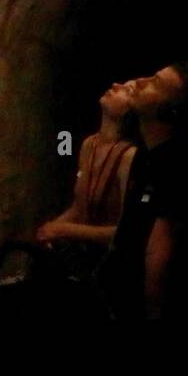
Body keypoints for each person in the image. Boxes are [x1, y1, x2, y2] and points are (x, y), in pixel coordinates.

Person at [100, 63, 188, 319]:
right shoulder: (148, 152)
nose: (140, 81)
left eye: (155, 82)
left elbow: (161, 251)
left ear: (169, 111)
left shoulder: (183, 163)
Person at [35, 81, 139, 255]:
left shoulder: (129, 156)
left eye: (127, 90)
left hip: (111, 260)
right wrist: (50, 229)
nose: (115, 85)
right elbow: (79, 208)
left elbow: (128, 232)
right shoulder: (89, 144)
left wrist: (64, 230)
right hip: (84, 255)